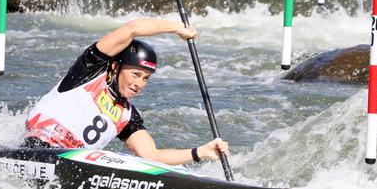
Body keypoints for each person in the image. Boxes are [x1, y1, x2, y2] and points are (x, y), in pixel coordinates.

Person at [21, 18, 229, 165]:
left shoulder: (126, 115)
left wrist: (201, 152)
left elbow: (151, 155)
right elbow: (132, 29)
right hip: (34, 149)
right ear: (115, 68)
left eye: (146, 78)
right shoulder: (90, 70)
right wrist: (176, 27)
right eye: (136, 74)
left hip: (71, 163)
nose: (140, 83)